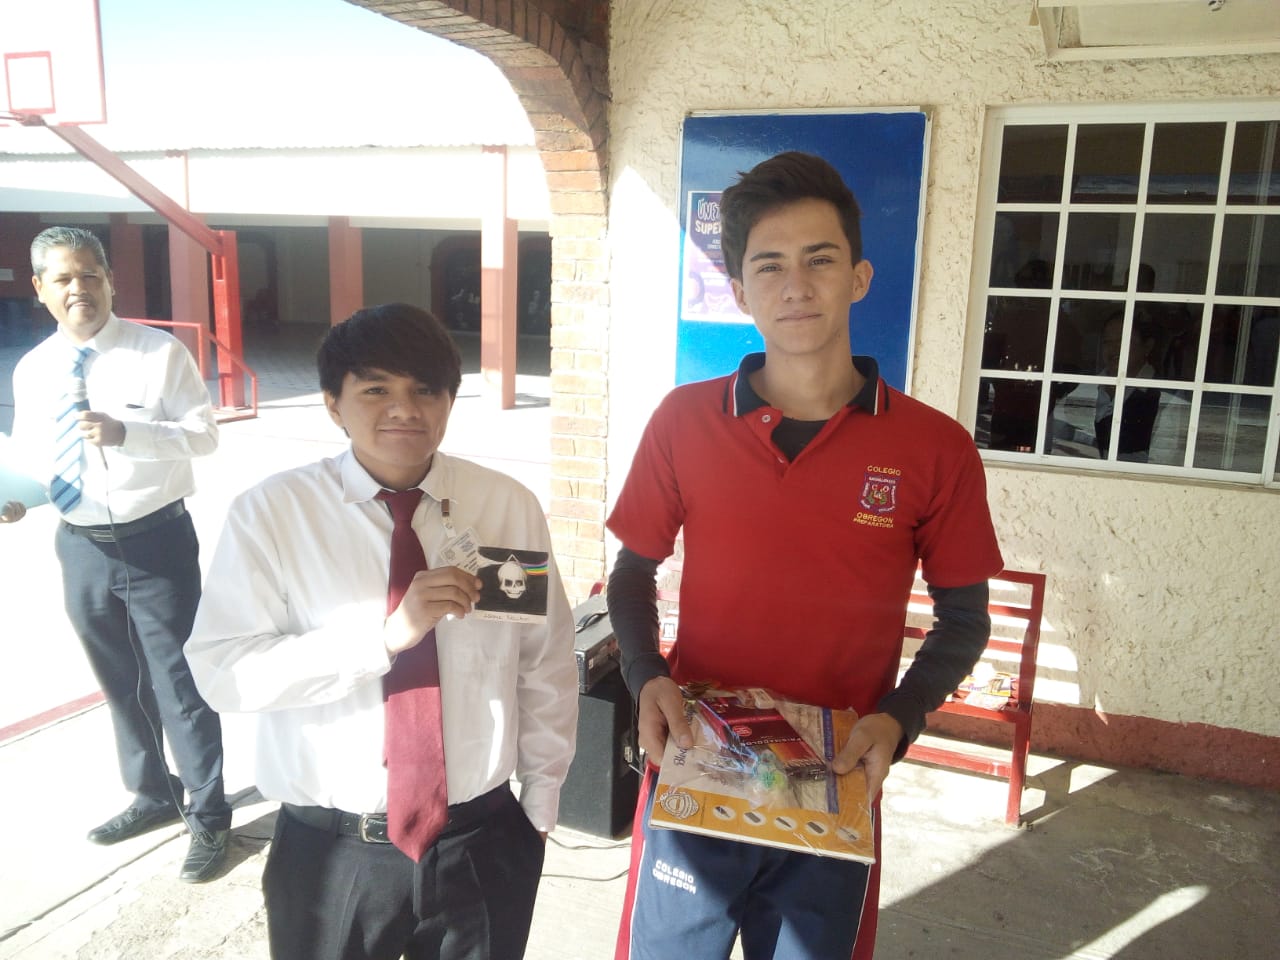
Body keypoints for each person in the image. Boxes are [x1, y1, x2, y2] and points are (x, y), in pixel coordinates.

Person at [606, 152, 1004, 960]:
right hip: (698, 761)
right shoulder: (683, 421)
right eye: (770, 266)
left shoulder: (935, 447)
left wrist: (899, 717)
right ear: (740, 291)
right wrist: (646, 676)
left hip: (837, 780)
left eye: (820, 260)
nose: (796, 286)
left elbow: (964, 618)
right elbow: (632, 572)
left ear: (858, 277)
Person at [184, 303, 579, 960]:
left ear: (450, 400)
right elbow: (223, 672)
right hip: (334, 853)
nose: (404, 409)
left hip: (481, 842)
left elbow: (544, 664)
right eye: (375, 390)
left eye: (425, 389)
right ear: (333, 405)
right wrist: (384, 638)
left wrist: (538, 806)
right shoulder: (272, 514)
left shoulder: (506, 506)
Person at [8, 226, 231, 882]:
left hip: (155, 541)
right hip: (79, 545)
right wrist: (16, 496)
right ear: (40, 289)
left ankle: (209, 813)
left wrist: (127, 431)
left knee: (179, 682)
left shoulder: (157, 353)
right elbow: (32, 455)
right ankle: (153, 793)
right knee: (119, 679)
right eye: (64, 278)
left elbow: (203, 437)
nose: (79, 288)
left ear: (110, 280)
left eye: (91, 275)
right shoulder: (33, 368)